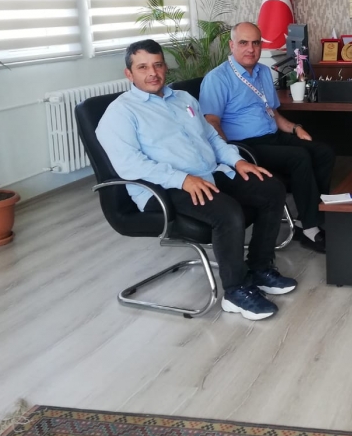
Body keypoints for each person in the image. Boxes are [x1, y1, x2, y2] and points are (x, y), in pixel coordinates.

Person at [96, 39, 295, 322]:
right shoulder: (120, 113)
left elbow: (211, 137)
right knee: (227, 212)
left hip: (207, 174)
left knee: (271, 188)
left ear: (165, 67)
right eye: (142, 67)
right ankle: (236, 291)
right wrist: (182, 179)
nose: (152, 73)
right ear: (129, 74)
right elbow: (130, 164)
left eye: (157, 65)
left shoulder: (183, 99)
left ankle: (260, 268)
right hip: (162, 188)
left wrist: (236, 161)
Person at [198, 22, 335, 254]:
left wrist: (295, 128)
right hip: (245, 146)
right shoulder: (217, 78)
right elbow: (211, 122)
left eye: (256, 43)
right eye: (243, 43)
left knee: (323, 152)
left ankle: (313, 216)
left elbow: (273, 112)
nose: (250, 49)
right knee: (299, 157)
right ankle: (310, 230)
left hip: (272, 136)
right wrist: (230, 156)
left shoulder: (262, 71)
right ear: (232, 45)